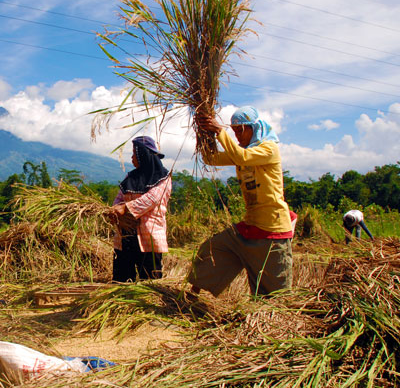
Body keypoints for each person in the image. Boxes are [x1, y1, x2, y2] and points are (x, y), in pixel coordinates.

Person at [188, 106, 293, 297]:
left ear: (254, 128)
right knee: (214, 247)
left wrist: (220, 131)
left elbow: (240, 156)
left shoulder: (269, 149)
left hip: (272, 228)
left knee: (274, 292)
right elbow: (210, 158)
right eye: (234, 131)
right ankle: (191, 297)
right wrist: (205, 133)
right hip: (250, 225)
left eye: (240, 131)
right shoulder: (242, 151)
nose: (236, 136)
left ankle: (271, 320)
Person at [107, 135, 172, 282]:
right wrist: (114, 210)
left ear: (143, 155)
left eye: (134, 154)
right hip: (126, 235)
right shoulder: (131, 177)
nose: (132, 158)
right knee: (121, 278)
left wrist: (126, 208)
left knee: (149, 280)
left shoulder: (163, 178)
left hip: (148, 235)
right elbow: (120, 197)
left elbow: (152, 199)